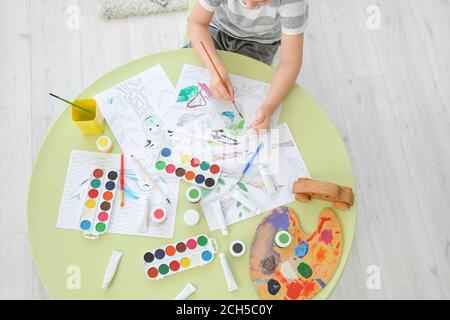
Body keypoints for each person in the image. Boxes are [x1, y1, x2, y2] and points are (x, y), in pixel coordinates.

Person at [188, 0, 308, 130]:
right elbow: (197, 23)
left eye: (262, 1)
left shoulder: (292, 3)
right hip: (217, 28)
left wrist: (268, 107)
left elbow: (290, 61)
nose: (250, 6)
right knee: (193, 73)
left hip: (260, 42)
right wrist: (216, 71)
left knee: (246, 89)